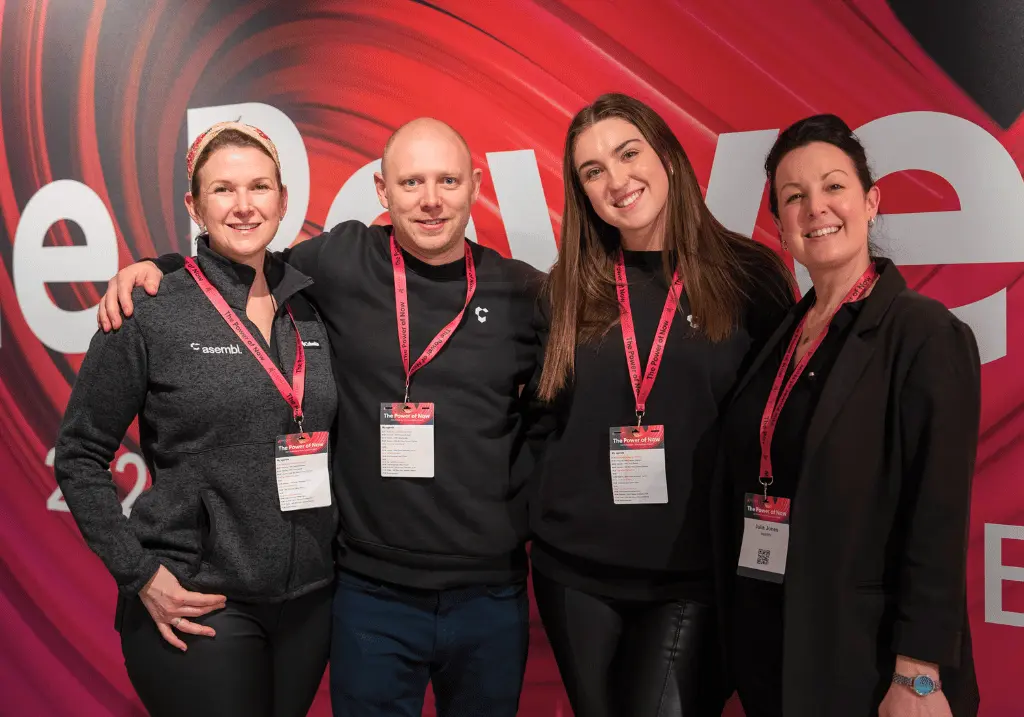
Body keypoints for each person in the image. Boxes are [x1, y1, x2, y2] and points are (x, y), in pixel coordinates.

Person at [97, 117, 542, 717]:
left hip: (490, 593)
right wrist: (156, 267)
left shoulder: (524, 294)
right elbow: (237, 259)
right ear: (383, 191)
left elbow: (563, 417)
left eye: (448, 180)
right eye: (411, 182)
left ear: (476, 185)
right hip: (370, 595)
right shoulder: (339, 260)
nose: (431, 200)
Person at [55, 121, 338, 717]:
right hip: (200, 598)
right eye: (222, 190)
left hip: (307, 602)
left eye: (259, 187)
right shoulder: (150, 308)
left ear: (283, 200)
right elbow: (80, 453)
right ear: (195, 206)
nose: (243, 206)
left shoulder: (311, 307)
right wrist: (138, 574)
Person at [526, 93, 794, 716]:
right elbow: (544, 417)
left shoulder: (749, 276)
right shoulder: (568, 285)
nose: (616, 181)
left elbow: (778, 423)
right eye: (593, 172)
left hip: (694, 575)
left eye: (628, 154)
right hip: (576, 573)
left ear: (668, 156)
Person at [711, 113, 981, 717]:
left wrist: (919, 674)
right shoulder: (780, 335)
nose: (816, 208)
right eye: (794, 197)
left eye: (834, 186)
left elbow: (937, 518)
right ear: (779, 223)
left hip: (864, 660)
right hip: (773, 645)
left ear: (871, 201)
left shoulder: (925, 335)